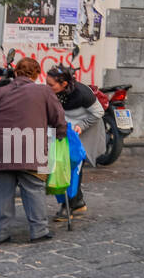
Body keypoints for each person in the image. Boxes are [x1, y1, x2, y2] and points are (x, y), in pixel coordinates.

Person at [0, 57, 67, 244]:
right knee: (34, 188)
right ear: (36, 74)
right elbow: (58, 118)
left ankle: (0, 233)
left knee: (1, 192)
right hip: (31, 148)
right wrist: (59, 135)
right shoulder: (44, 92)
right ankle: (39, 231)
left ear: (15, 72)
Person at [43, 67, 105, 219]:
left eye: (51, 85)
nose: (48, 87)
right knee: (65, 164)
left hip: (84, 130)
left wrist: (82, 126)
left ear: (64, 84)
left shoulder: (82, 93)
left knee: (74, 165)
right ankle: (77, 202)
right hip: (66, 131)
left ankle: (69, 205)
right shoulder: (53, 93)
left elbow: (99, 112)